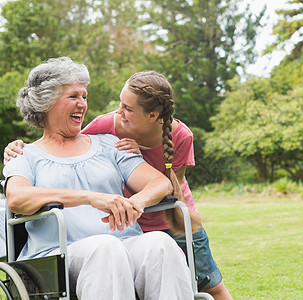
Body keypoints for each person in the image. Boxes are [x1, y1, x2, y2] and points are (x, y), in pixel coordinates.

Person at [5, 70, 233, 299]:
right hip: (59, 254)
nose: (82, 104)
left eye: (84, 97)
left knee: (160, 244)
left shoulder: (111, 145)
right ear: (47, 103)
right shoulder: (24, 154)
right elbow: (17, 198)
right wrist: (90, 197)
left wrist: (135, 201)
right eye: (73, 96)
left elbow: (160, 183)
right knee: (106, 248)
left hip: (124, 243)